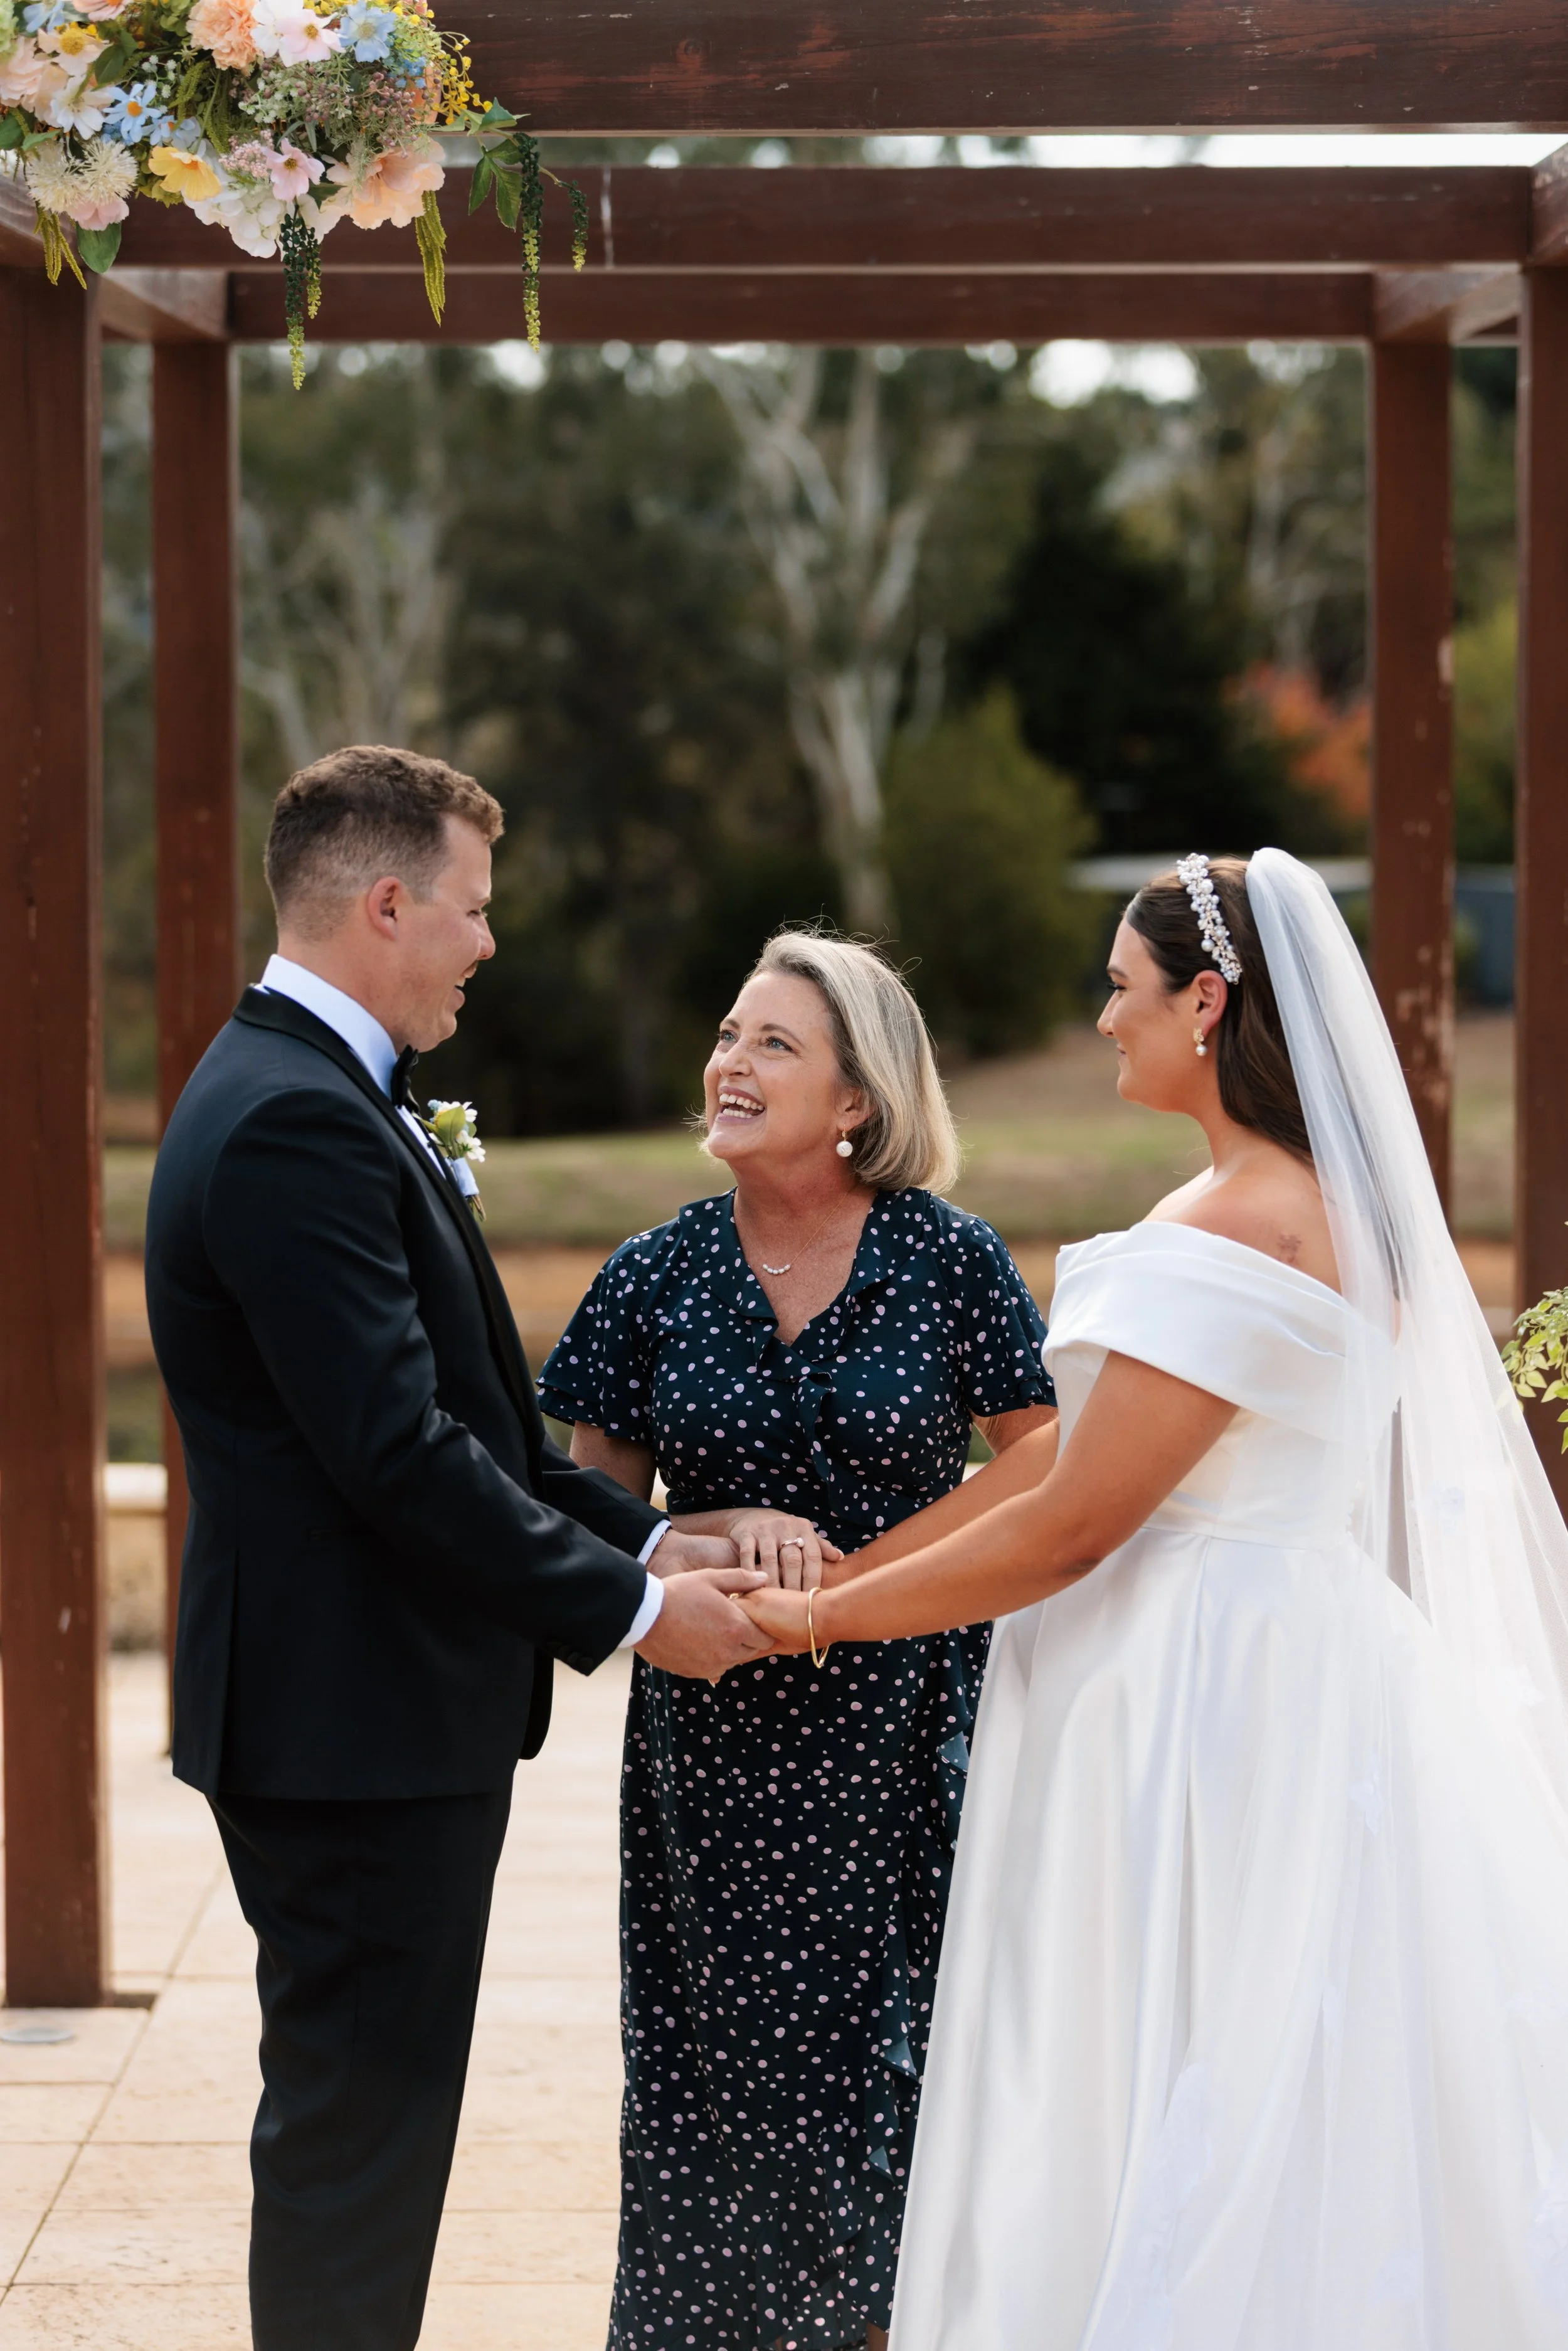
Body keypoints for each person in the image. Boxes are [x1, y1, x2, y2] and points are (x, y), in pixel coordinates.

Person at [743, 853, 1568, 2350]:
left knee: (1186, 2041)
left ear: (1203, 1001)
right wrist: (856, 1569)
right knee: (1254, 2044)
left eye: (1122, 990)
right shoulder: (1282, 1201)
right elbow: (1065, 1458)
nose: (1102, 1017)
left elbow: (1073, 1522)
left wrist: (821, 1623)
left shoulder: (1244, 1220)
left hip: (1203, 1696)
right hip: (1267, 1653)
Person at [145, 745, 773, 2351]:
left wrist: (657, 1531)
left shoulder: (314, 1089)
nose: (490, 943)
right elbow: (394, 1458)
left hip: (358, 1717)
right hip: (347, 1726)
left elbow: (465, 1434)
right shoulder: (295, 1119)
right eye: (474, 908)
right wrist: (636, 1608)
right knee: (358, 2139)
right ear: (384, 902)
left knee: (371, 2127)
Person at [539, 930, 1057, 2351]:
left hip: (908, 1735)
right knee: (720, 2081)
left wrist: (853, 1585)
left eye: (772, 1042)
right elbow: (586, 1516)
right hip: (712, 1754)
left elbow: (1040, 1461)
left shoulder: (946, 1259)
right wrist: (715, 1536)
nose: (729, 1059)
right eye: (726, 1031)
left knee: (899, 2073)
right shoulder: (648, 1277)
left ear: (857, 1101)